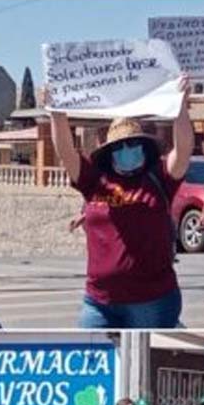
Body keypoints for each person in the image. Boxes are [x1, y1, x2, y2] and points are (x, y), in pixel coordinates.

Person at [46, 78, 192, 328]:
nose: (127, 149)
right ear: (110, 151)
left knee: (143, 365)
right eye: (120, 146)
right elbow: (66, 151)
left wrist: (180, 107)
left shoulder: (159, 176)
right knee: (91, 363)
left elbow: (184, 148)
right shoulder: (95, 179)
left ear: (145, 147)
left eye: (133, 143)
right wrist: (56, 113)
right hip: (98, 301)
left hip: (151, 301)